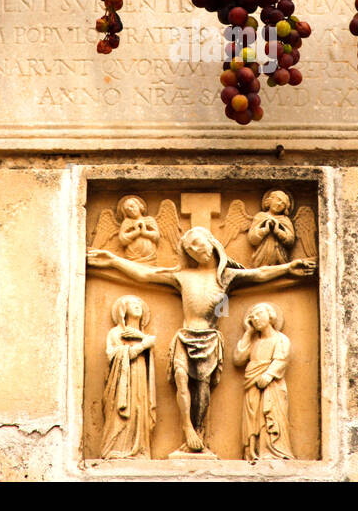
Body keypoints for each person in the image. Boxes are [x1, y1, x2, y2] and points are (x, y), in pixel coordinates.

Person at [88, 225, 314, 456]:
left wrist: (289, 268)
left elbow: (260, 274)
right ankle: (187, 429)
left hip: (210, 339)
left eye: (198, 244)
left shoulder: (226, 277)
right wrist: (113, 260)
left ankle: (200, 434)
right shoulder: (182, 275)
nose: (196, 250)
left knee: (203, 391)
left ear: (211, 241)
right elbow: (146, 274)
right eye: (191, 249)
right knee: (181, 379)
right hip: (184, 336)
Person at [234, 302, 293, 460]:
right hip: (252, 386)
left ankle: (274, 452)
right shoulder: (254, 342)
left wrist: (269, 374)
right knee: (252, 421)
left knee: (272, 417)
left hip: (272, 386)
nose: (255, 318)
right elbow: (238, 359)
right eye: (252, 317)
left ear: (270, 315)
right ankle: (253, 454)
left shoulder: (280, 339)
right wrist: (247, 333)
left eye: (259, 314)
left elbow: (281, 359)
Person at [99, 295, 156, 459]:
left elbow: (149, 359)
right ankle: (117, 448)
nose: (137, 305)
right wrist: (143, 344)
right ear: (123, 309)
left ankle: (139, 450)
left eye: (139, 303)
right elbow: (113, 355)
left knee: (139, 409)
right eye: (132, 303)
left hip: (140, 377)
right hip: (122, 381)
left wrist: (142, 338)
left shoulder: (144, 335)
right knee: (123, 412)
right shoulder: (116, 333)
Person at [248, 189, 296, 267]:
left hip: (280, 258)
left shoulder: (285, 220)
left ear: (285, 208)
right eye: (278, 200)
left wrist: (278, 231)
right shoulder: (260, 216)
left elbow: (290, 240)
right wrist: (265, 230)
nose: (279, 204)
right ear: (269, 201)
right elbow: (252, 238)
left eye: (283, 203)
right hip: (261, 257)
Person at [116, 196, 160, 263]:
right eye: (127, 210)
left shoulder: (149, 219)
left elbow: (156, 236)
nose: (130, 210)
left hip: (149, 256)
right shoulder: (126, 222)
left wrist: (145, 232)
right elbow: (122, 239)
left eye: (132, 206)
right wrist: (135, 233)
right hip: (132, 256)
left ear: (139, 206)